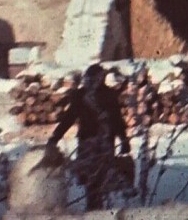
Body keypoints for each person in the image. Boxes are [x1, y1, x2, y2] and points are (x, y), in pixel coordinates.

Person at [45, 63, 131, 211]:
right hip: (93, 143)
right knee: (94, 179)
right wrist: (55, 137)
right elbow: (69, 117)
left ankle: (97, 209)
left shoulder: (105, 95)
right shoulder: (82, 95)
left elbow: (117, 119)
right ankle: (95, 209)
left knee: (99, 179)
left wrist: (124, 139)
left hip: (100, 143)